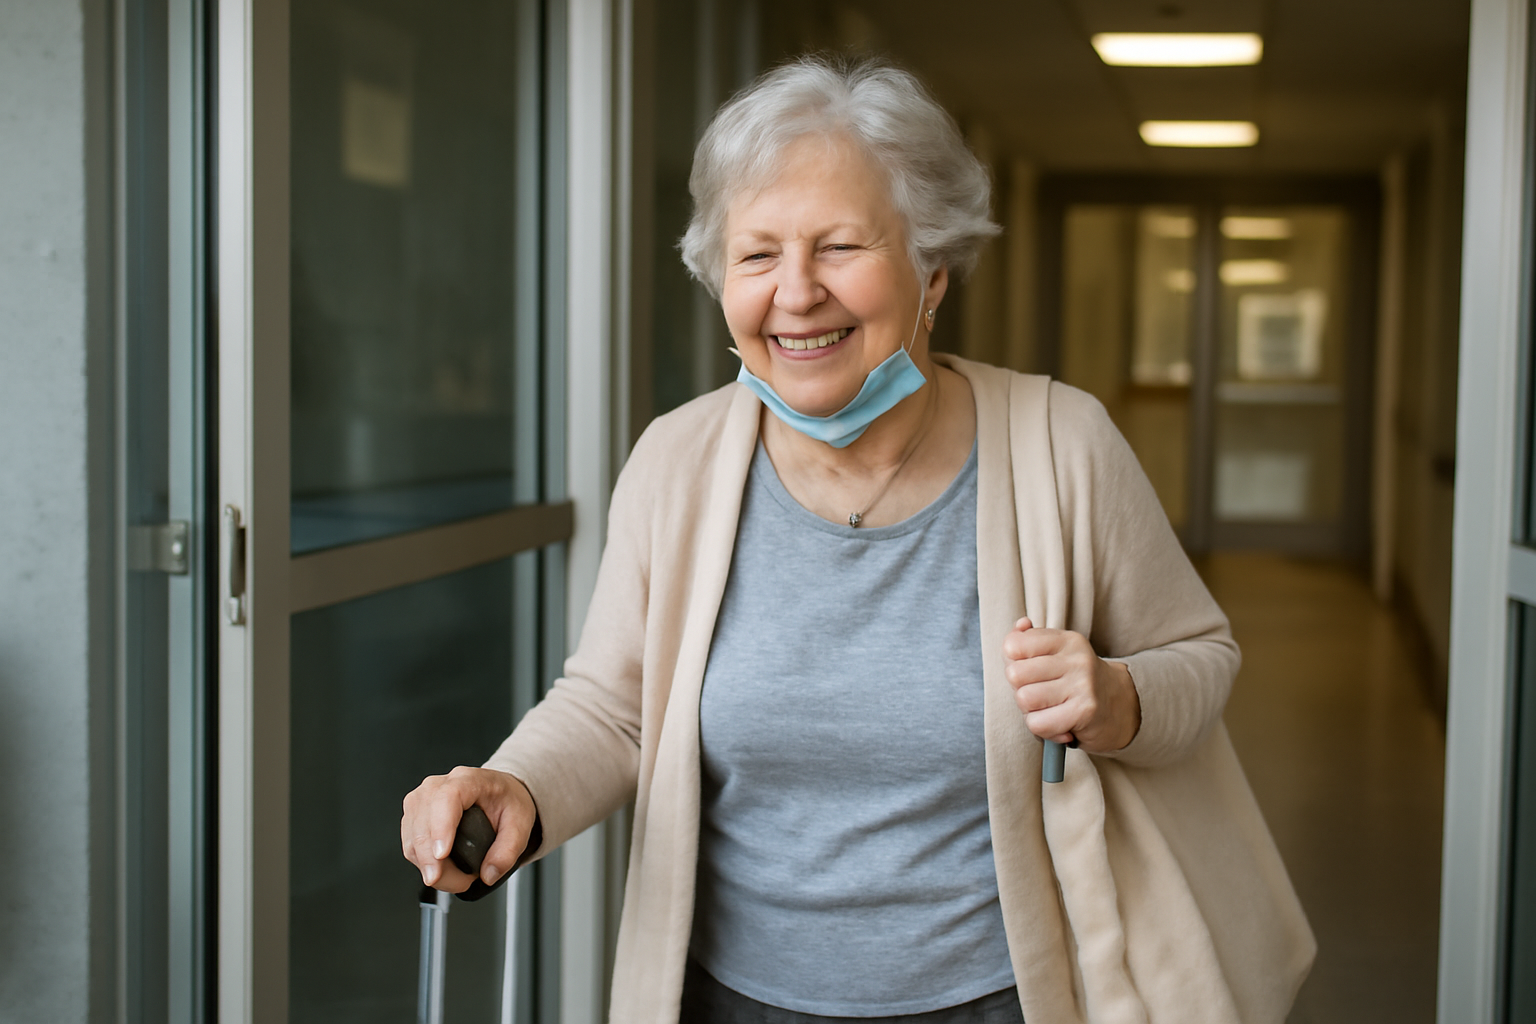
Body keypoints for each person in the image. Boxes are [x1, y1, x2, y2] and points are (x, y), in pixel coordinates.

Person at [402, 55, 1314, 1023]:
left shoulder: (1063, 447)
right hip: (732, 1000)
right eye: (756, 257)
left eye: (838, 246)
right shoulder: (677, 463)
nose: (796, 294)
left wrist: (1116, 696)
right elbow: (617, 705)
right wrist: (517, 784)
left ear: (933, 271)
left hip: (999, 997)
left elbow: (1203, 658)